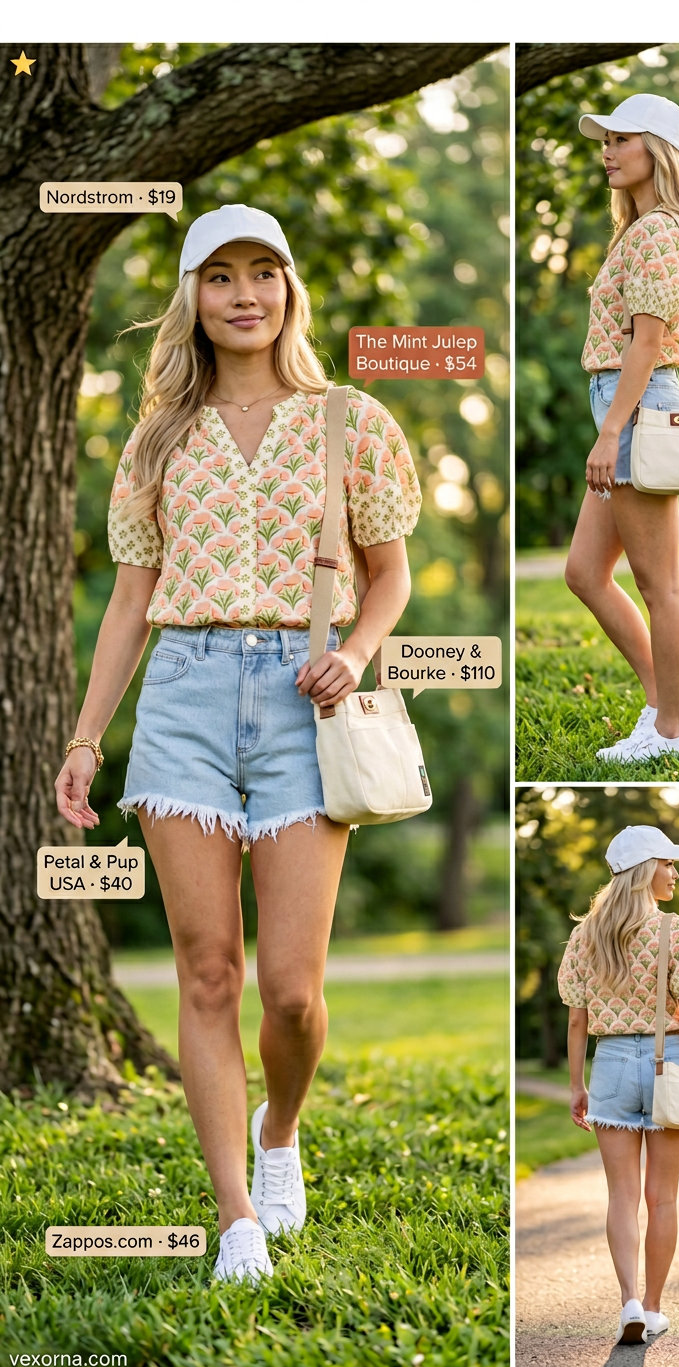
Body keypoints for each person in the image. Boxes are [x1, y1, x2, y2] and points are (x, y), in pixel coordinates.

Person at [54, 204, 421, 1285]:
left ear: (292, 289)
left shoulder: (351, 418)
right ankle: (235, 1222)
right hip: (183, 696)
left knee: (293, 993)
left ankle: (279, 1132)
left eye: (264, 272)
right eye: (220, 276)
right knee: (207, 972)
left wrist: (356, 649)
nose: (245, 293)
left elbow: (390, 572)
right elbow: (129, 601)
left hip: (308, 701)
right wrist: (85, 739)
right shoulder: (158, 434)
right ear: (192, 297)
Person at [563, 94, 679, 763]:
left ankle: (671, 730)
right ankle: (667, 702)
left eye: (620, 139)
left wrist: (609, 432)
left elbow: (646, 344)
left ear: (656, 149)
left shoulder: (658, 231)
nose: (607, 150)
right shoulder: (643, 227)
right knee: (583, 573)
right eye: (605, 140)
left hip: (639, 407)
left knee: (660, 584)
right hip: (625, 402)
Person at [557, 824, 679, 1345]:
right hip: (668, 1062)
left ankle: (629, 1301)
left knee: (621, 1197)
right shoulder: (675, 932)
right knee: (663, 1199)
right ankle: (652, 1309)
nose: (674, 872)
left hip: (609, 1064)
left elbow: (575, 1021)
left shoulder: (585, 935)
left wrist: (575, 1085)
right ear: (642, 870)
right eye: (667, 863)